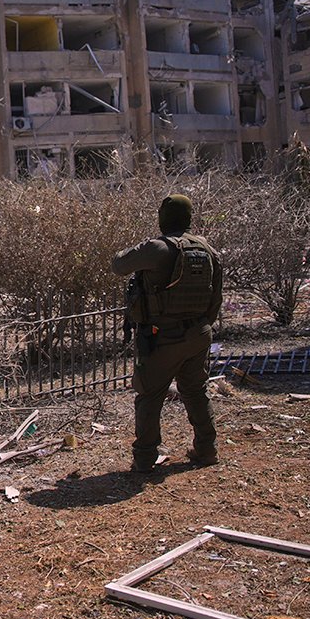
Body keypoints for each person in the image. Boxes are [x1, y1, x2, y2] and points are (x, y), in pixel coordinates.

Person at [111, 194, 223, 473]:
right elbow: (216, 298)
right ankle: (207, 449)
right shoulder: (207, 249)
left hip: (163, 337)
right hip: (199, 332)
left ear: (164, 218)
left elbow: (118, 265)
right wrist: (200, 327)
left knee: (149, 395)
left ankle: (145, 458)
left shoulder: (157, 248)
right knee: (196, 391)